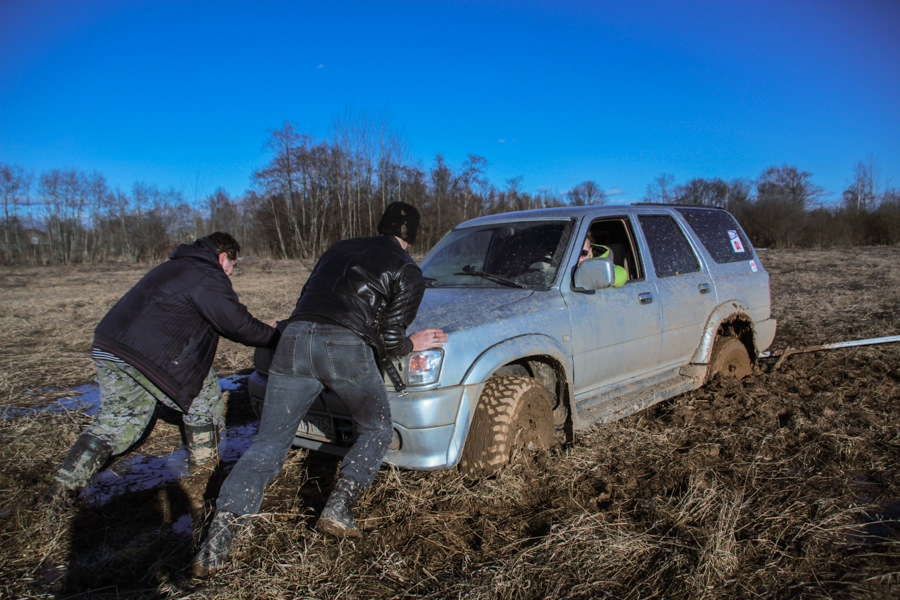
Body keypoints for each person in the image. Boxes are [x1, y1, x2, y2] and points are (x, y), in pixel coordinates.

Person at [192, 202, 447, 577]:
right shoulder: (408, 269)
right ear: (412, 236)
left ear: (380, 226)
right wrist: (414, 343)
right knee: (376, 428)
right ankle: (338, 508)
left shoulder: (338, 248)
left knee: (267, 444)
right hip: (345, 345)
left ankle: (218, 540)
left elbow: (308, 298)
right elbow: (391, 338)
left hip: (295, 338)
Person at [46, 232, 278, 504]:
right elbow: (236, 324)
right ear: (223, 257)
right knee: (203, 398)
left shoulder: (174, 266)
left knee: (119, 421)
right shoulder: (206, 273)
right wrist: (275, 335)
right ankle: (204, 473)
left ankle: (64, 487)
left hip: (110, 346)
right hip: (151, 355)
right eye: (232, 267)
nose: (230, 273)